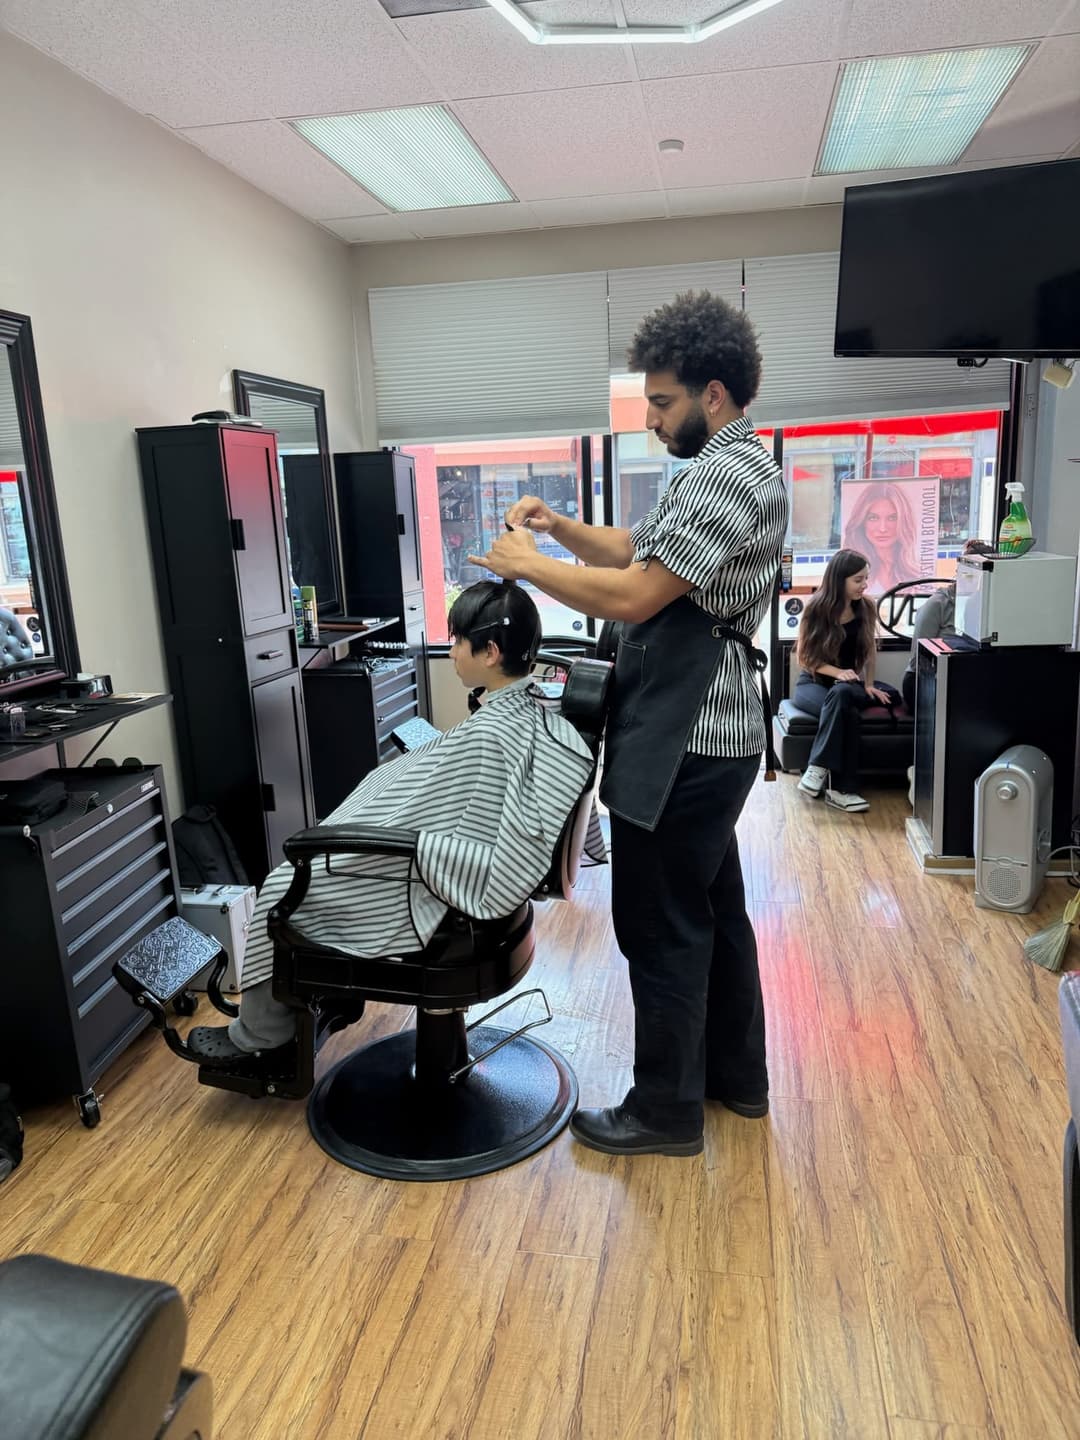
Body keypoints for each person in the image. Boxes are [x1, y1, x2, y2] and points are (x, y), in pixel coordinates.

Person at [469, 290, 787, 1158]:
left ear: (713, 395)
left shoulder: (729, 474)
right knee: (714, 912)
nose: (651, 421)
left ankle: (664, 1111)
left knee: (660, 923)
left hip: (686, 739)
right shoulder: (722, 467)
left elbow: (639, 594)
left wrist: (529, 568)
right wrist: (560, 526)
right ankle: (736, 1081)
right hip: (702, 738)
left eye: (662, 403)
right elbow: (636, 552)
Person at [187, 582, 593, 1061]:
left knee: (283, 886)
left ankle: (259, 1039)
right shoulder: (534, 713)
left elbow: (457, 816)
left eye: (457, 640)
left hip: (440, 893)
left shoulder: (491, 736)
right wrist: (427, 761)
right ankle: (320, 1000)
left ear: (489, 652)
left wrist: (401, 794)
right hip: (466, 877)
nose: (453, 653)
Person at [794, 548, 897, 815]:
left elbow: (871, 651)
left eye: (866, 578)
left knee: (851, 695)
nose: (865, 585)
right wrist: (837, 672)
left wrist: (869, 683)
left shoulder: (866, 607)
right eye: (858, 580)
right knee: (846, 711)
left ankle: (817, 768)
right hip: (814, 684)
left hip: (849, 686)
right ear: (839, 580)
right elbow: (806, 658)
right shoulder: (815, 608)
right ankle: (841, 790)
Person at [902, 538, 993, 711]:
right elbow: (918, 661)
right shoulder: (938, 604)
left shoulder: (986, 605)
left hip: (964, 681)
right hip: (925, 682)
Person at [842, 482, 922, 595]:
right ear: (861, 521)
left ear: (903, 521)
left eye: (892, 518)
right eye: (873, 518)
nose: (883, 528)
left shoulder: (916, 572)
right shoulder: (850, 571)